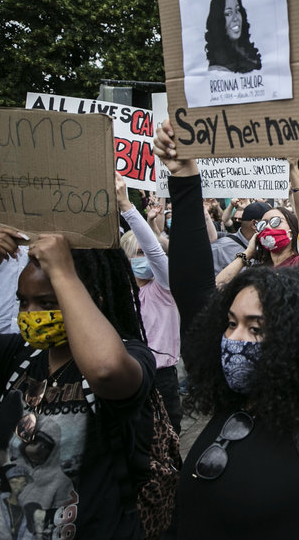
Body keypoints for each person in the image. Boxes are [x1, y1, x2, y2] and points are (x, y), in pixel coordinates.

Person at [155, 92, 299, 537]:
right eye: (232, 323)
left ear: (294, 340)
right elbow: (193, 293)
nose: (235, 339)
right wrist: (184, 176)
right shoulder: (229, 398)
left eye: (257, 329)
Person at [0, 227, 156, 539]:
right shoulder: (15, 354)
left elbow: (106, 370)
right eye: (23, 302)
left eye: (47, 303)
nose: (31, 314)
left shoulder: (129, 354)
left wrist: (64, 274)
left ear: (89, 300)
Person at [116, 174, 184, 432]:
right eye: (138, 254)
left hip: (161, 377)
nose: (146, 257)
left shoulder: (164, 288)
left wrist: (126, 206)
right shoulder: (119, 294)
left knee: (168, 437)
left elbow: (155, 251)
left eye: (146, 252)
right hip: (128, 374)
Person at [205, 0, 261, 73]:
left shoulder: (246, 52)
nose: (236, 18)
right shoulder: (219, 68)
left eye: (237, 10)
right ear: (218, 21)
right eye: (228, 13)